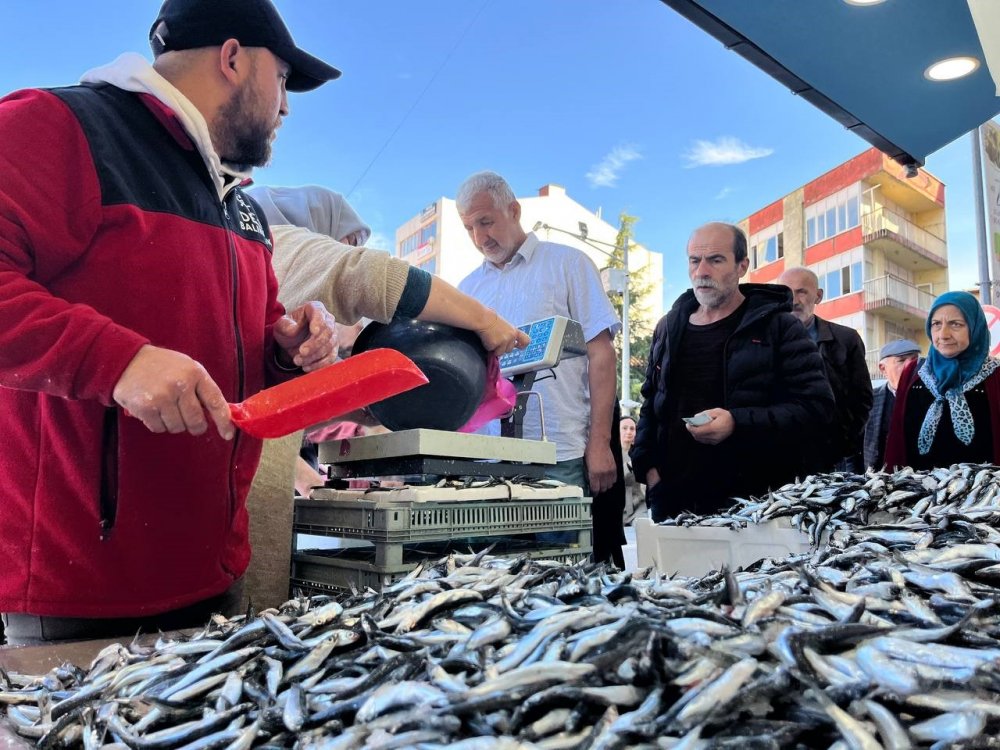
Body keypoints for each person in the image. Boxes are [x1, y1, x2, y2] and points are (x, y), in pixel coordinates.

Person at [0, 0, 344, 646]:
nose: (286, 108)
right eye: (282, 80)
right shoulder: (60, 127)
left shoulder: (243, 208)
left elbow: (250, 342)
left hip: (215, 581)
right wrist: (119, 364)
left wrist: (286, 347)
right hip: (81, 599)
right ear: (233, 59)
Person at [242, 184, 529, 608]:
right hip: (238, 510)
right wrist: (485, 321)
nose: (349, 249)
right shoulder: (285, 244)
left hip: (235, 497)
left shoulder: (262, 275)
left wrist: (350, 416)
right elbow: (372, 275)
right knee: (248, 614)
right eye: (349, 240)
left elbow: (271, 409)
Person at [455, 171, 625, 566]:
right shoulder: (467, 289)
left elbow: (602, 355)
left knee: (567, 574)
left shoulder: (569, 264)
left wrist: (600, 443)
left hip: (559, 453)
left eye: (486, 221)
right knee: (491, 576)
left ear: (514, 210)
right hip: (487, 460)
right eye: (469, 228)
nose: (479, 237)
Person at [631, 223, 834, 522]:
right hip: (673, 505)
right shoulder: (668, 327)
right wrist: (649, 472)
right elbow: (650, 404)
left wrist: (737, 423)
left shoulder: (779, 326)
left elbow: (817, 408)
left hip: (754, 508)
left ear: (742, 266)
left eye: (715, 260)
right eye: (694, 260)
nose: (702, 271)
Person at [885, 292, 1000, 470]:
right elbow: (896, 440)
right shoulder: (913, 373)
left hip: (982, 486)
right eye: (936, 324)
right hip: (918, 485)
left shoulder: (995, 375)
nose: (943, 334)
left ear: (974, 327)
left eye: (955, 324)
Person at [778, 266, 873, 473]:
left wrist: (843, 442)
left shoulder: (846, 339)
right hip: (780, 455)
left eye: (801, 292)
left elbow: (862, 399)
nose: (794, 300)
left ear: (818, 296)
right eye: (787, 292)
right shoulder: (764, 341)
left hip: (832, 458)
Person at [863, 339, 921, 470]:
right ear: (883, 368)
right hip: (877, 476)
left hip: (919, 476)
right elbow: (853, 445)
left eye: (914, 360)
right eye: (901, 360)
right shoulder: (870, 399)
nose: (910, 365)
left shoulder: (930, 398)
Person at [620, 415, 646, 524]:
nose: (629, 432)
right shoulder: (609, 454)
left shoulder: (641, 452)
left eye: (632, 429)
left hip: (639, 507)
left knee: (642, 527)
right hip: (616, 508)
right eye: (624, 428)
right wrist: (629, 466)